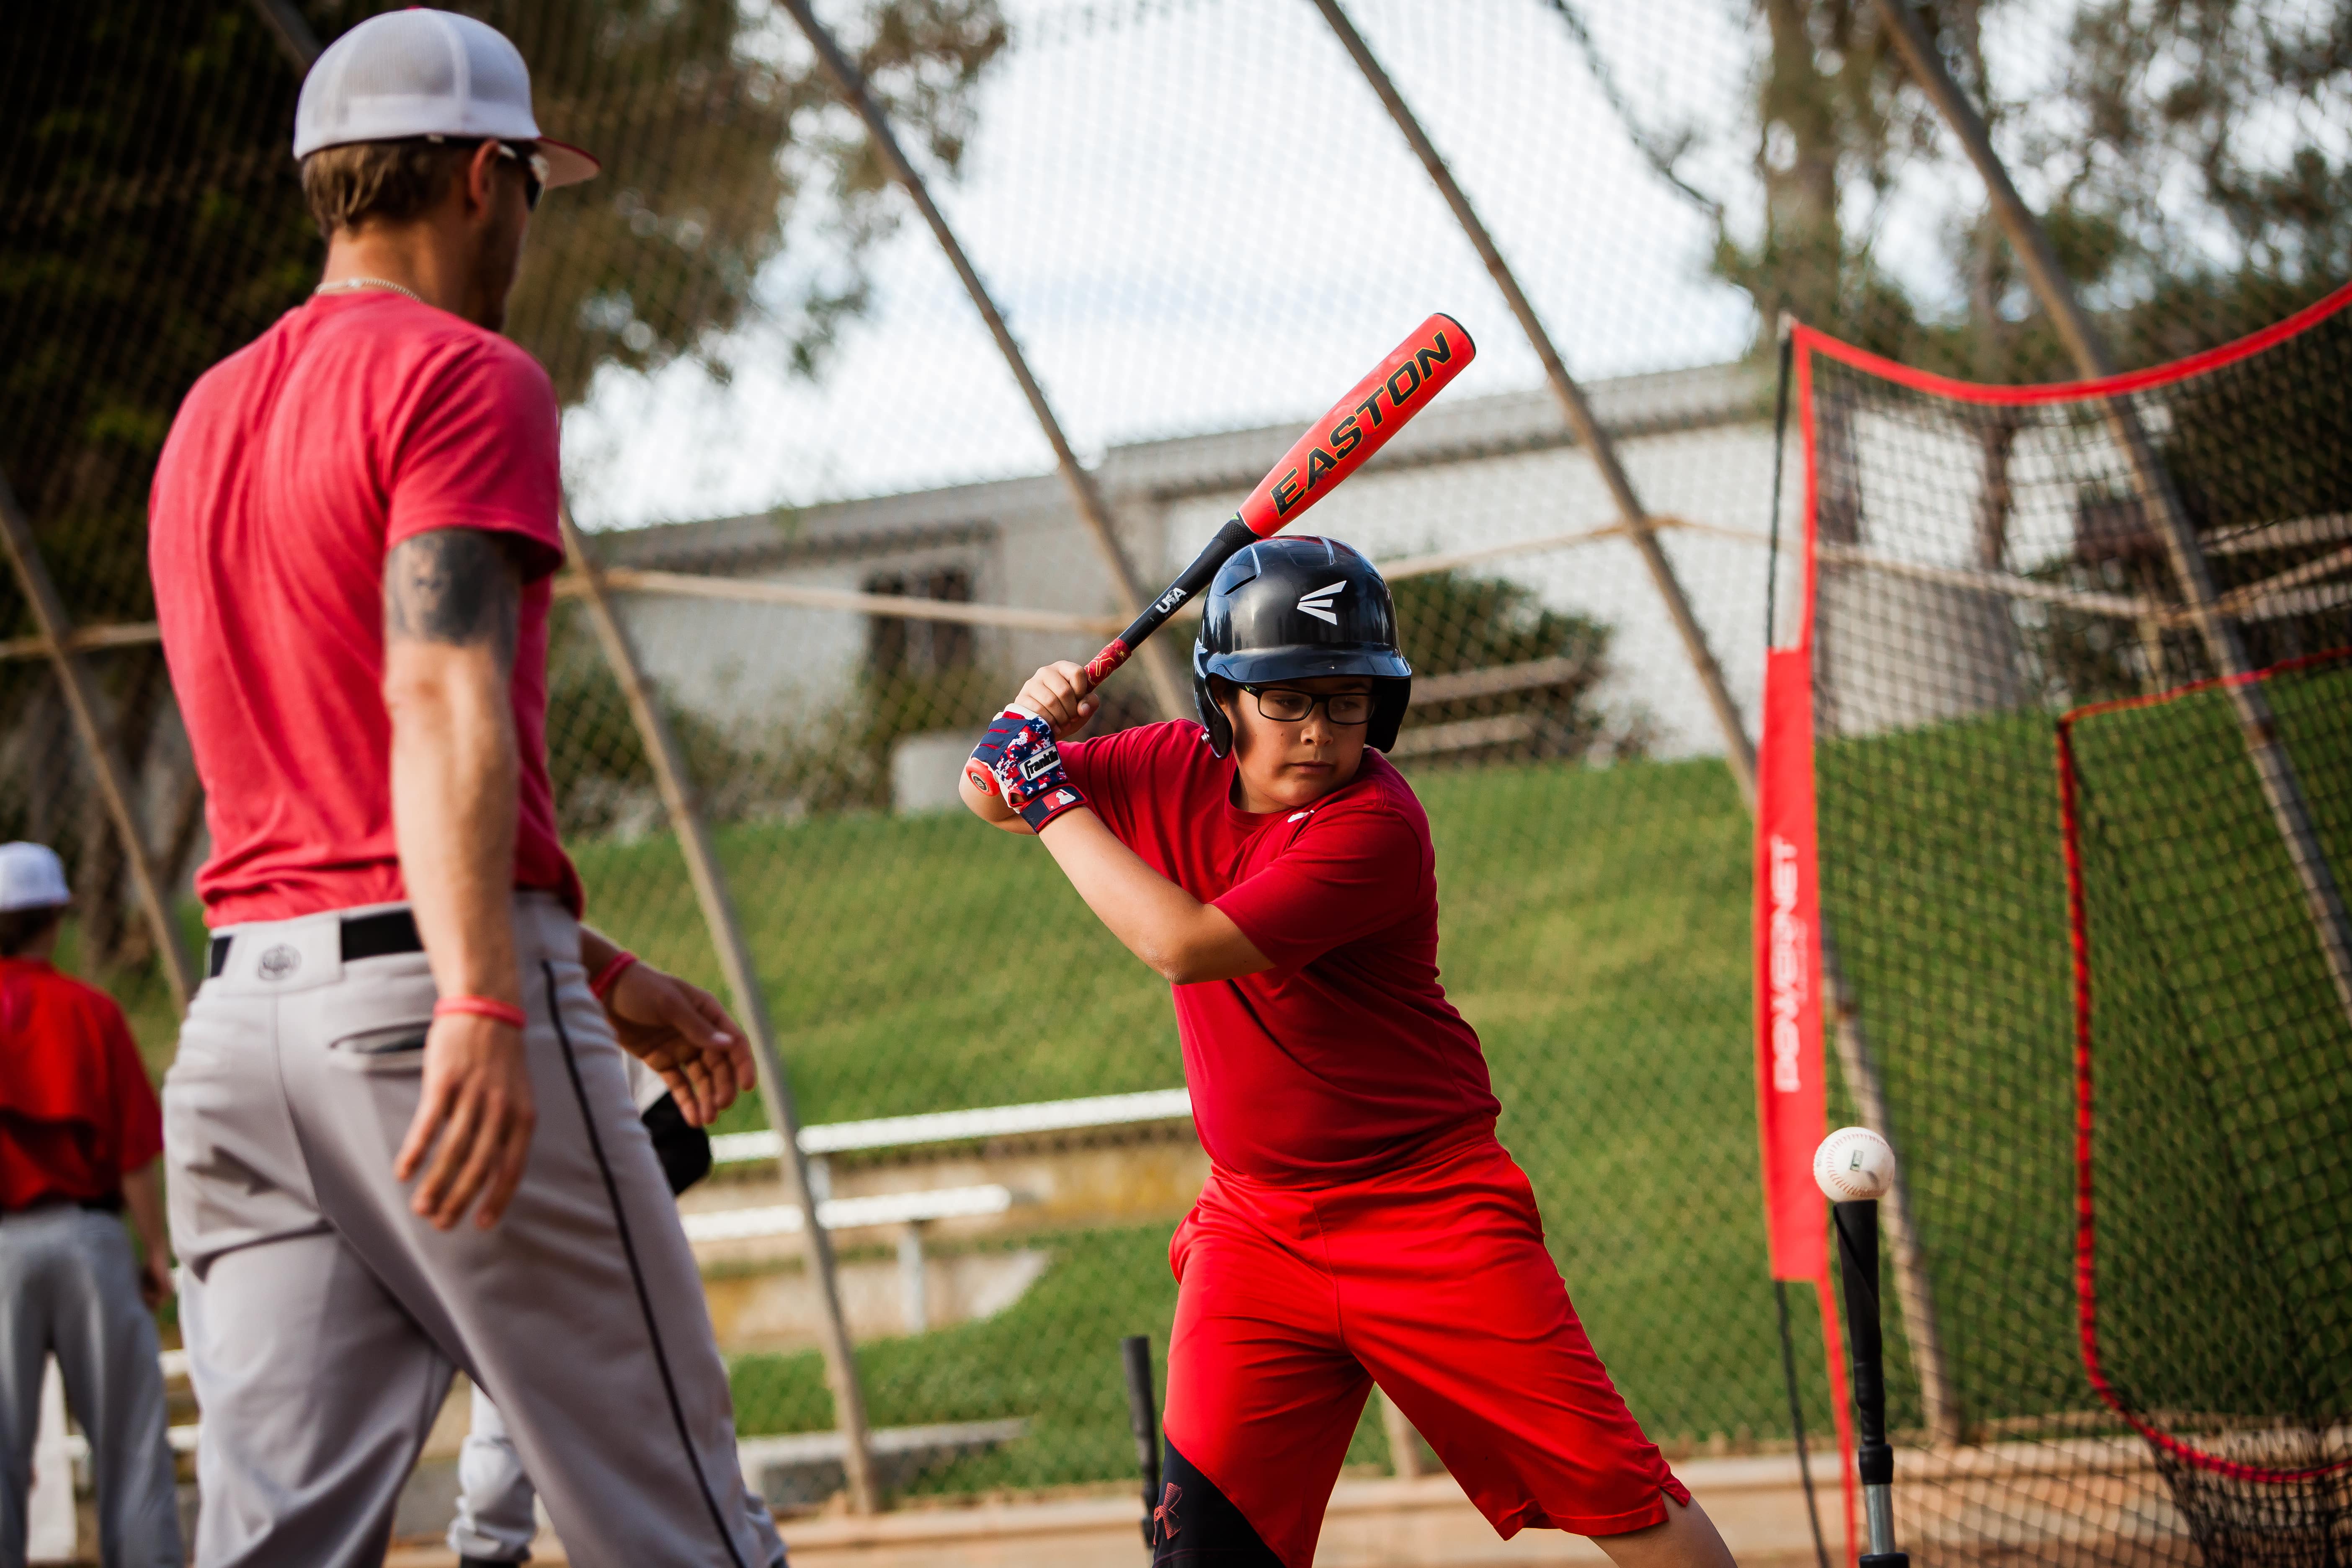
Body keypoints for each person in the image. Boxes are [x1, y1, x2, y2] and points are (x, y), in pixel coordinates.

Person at [146, 11, 784, 1566]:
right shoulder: (462, 373)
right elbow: (434, 694)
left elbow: (326, 774)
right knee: (673, 1516)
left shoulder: (205, 416)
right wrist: (493, 998)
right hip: (428, 1014)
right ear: (485, 179)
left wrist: (600, 964)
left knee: (272, 1545)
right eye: (531, 191)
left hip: (239, 1034)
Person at [960, 536, 1742, 1568]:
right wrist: (1023, 725)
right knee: (1204, 1553)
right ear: (1223, 702)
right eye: (1286, 699)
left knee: (1621, 1498)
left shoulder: (1373, 826)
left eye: (1347, 698)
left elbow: (1181, 945)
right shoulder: (1161, 766)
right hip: (1255, 1227)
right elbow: (989, 792)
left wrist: (1048, 788)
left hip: (1427, 1208)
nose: (1320, 730)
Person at [445, 1062, 774, 1567]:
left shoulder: (584, 1000)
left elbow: (684, 1147)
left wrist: (583, 1226)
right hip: (514, 1286)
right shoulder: (433, 1024)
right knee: (494, 1483)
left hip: (615, 1284)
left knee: (690, 1463)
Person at [0, 842, 183, 1568]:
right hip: (88, 1237)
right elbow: (135, 1149)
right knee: (130, 1442)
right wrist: (155, 1250)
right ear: (57, 917)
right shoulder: (92, 1009)